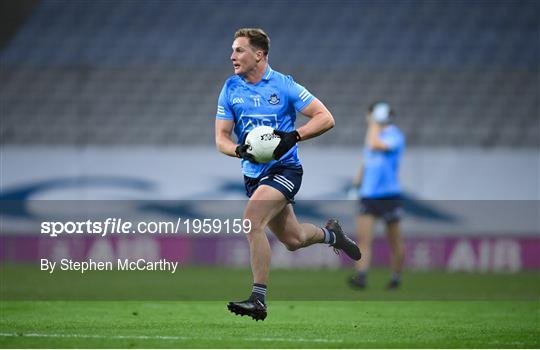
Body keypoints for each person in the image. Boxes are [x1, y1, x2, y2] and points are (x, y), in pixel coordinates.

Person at [215, 28, 361, 321]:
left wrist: (293, 136)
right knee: (293, 240)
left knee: (252, 219)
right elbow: (221, 138)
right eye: (232, 50)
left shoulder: (284, 86)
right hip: (253, 174)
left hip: (285, 169)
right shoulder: (231, 88)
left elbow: (326, 118)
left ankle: (258, 298)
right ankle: (332, 235)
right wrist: (239, 151)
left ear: (259, 54)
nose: (232, 56)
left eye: (239, 50)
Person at [348, 102, 405, 290]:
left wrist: (374, 124)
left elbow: (374, 144)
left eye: (369, 116)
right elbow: (368, 161)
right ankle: (361, 276)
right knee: (364, 238)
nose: (367, 120)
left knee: (394, 239)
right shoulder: (373, 133)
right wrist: (357, 182)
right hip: (369, 194)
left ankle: (396, 276)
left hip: (389, 194)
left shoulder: (394, 135)